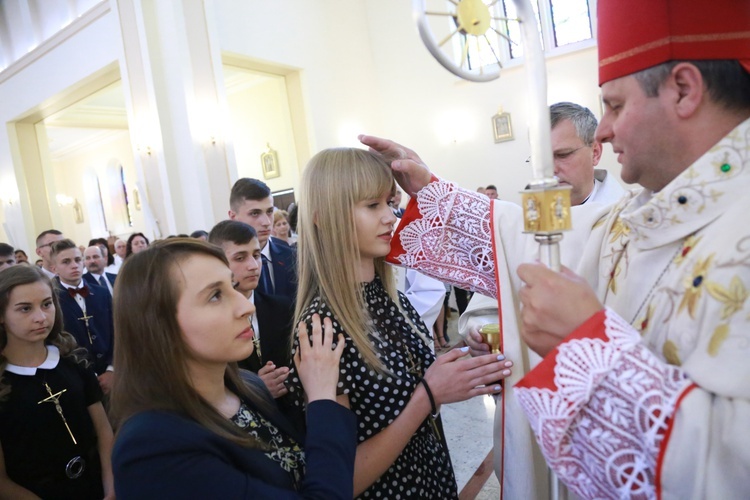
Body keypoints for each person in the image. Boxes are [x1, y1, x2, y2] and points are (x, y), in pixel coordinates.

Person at [360, 0, 750, 496]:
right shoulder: (641, 217)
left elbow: (732, 466)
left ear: (684, 90)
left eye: (615, 104)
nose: (604, 128)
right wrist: (431, 190)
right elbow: (524, 238)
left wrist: (586, 347)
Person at [286, 148, 511, 498]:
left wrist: (461, 363)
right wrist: (429, 396)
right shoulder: (322, 326)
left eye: (388, 202)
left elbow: (407, 384)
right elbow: (342, 479)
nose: (391, 217)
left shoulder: (390, 298)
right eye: (372, 205)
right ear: (323, 217)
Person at [110, 238, 357, 498]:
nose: (247, 306)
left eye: (233, 286)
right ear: (158, 326)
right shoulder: (153, 447)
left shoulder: (249, 386)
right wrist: (321, 399)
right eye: (215, 296)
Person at [0, 265, 114, 499]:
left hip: (95, 484)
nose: (41, 317)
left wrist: (111, 488)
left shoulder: (73, 361)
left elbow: (104, 432)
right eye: (25, 309)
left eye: (46, 304)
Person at [208, 221, 294, 399]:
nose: (254, 265)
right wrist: (255, 389)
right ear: (217, 262)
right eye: (240, 258)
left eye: (256, 255)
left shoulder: (283, 308)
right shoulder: (211, 322)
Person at [51, 240, 115, 394]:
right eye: (66, 262)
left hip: (111, 373)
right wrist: (87, 374)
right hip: (76, 377)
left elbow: (116, 331)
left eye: (78, 260)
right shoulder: (51, 299)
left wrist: (112, 368)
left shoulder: (102, 293)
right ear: (54, 268)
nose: (74, 265)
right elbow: (56, 340)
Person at [229, 178, 297, 301]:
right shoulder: (223, 265)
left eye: (270, 212)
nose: (266, 222)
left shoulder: (292, 256)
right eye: (255, 213)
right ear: (233, 217)